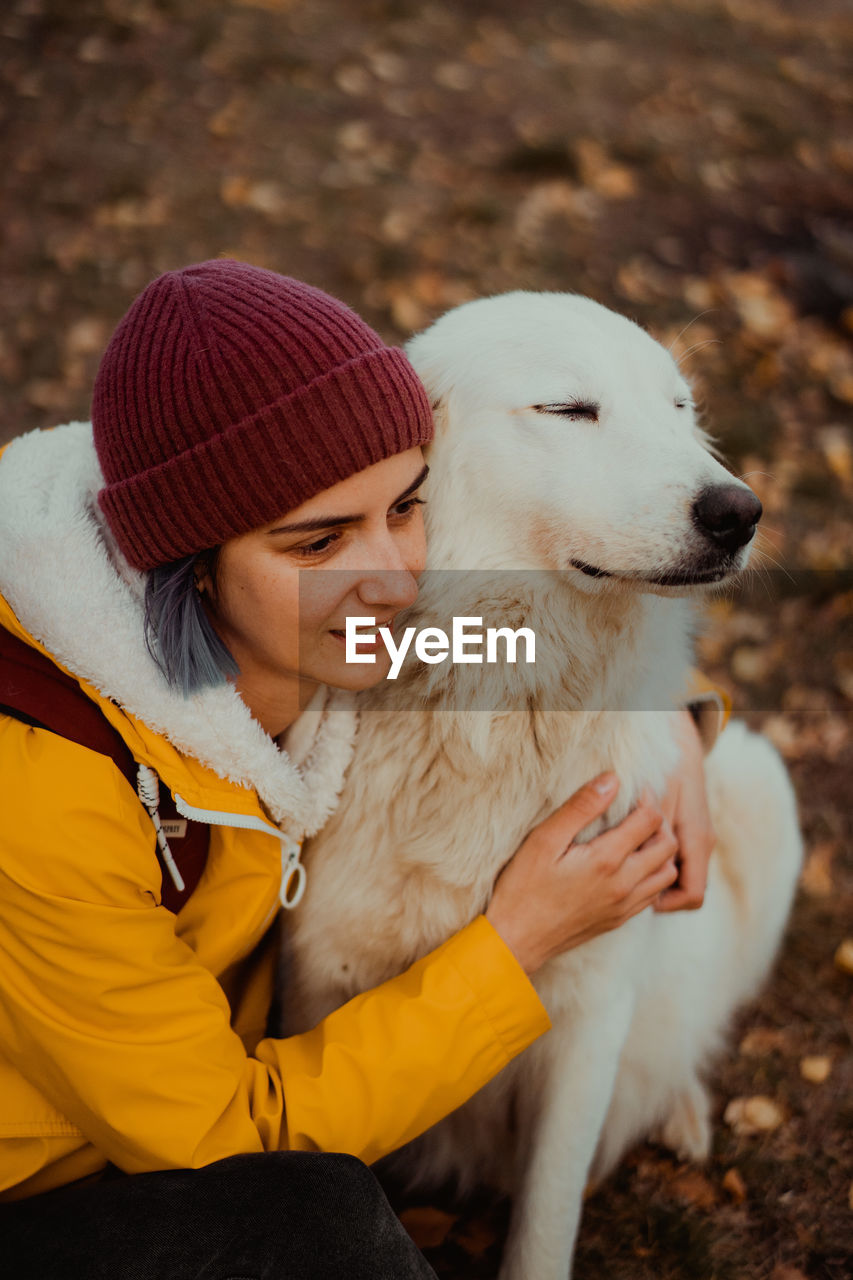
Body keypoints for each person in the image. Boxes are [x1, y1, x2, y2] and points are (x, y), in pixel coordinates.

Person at [0, 260, 717, 1278]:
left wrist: (673, 719)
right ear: (190, 563)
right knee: (329, 1226)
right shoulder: (41, 798)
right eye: (318, 540)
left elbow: (502, 645)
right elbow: (217, 1139)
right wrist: (515, 942)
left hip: (160, 1100)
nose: (394, 580)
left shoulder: (310, 637)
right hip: (49, 1192)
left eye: (407, 506)